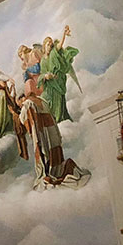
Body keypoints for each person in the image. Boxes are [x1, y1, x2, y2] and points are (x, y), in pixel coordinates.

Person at [18, 48, 86, 187]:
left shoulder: (33, 54)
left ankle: (53, 168)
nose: (21, 58)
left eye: (21, 55)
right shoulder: (25, 69)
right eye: (20, 57)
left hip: (44, 83)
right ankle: (48, 167)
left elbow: (41, 66)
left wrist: (31, 72)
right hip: (37, 89)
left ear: (25, 51)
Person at [39, 26, 79, 123]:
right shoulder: (42, 61)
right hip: (49, 86)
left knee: (58, 104)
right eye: (48, 45)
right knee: (45, 100)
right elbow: (42, 74)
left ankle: (59, 119)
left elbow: (59, 45)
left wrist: (64, 34)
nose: (49, 46)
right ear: (44, 46)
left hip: (57, 82)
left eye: (50, 45)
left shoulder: (53, 54)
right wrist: (45, 76)